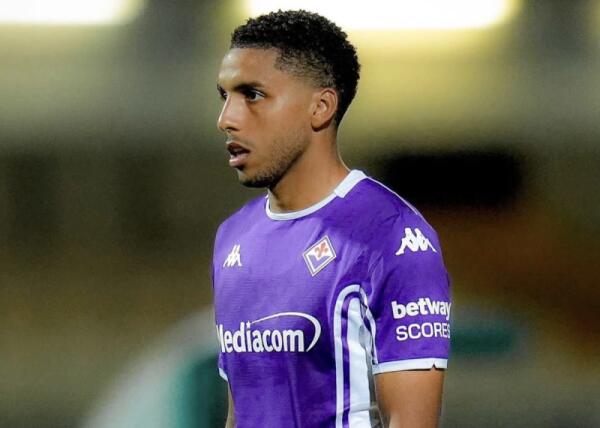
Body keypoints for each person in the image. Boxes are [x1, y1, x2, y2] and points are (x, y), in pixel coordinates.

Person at [212, 9, 451, 428]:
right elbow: (242, 414)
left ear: (320, 107)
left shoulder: (392, 235)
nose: (226, 119)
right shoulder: (233, 237)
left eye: (252, 95)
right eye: (224, 96)